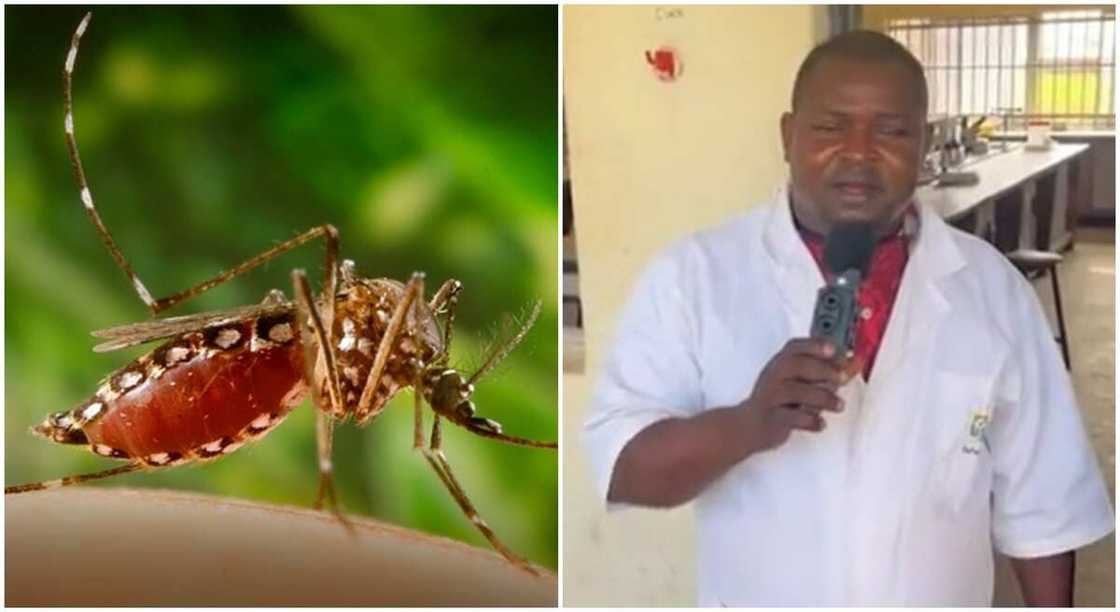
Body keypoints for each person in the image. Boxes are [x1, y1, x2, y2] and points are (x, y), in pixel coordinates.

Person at [583, 30, 1113, 606]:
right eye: (831, 127)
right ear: (788, 136)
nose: (859, 152)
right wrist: (748, 423)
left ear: (925, 142)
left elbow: (1045, 508)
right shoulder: (693, 278)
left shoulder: (992, 291)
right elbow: (623, 469)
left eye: (891, 130)